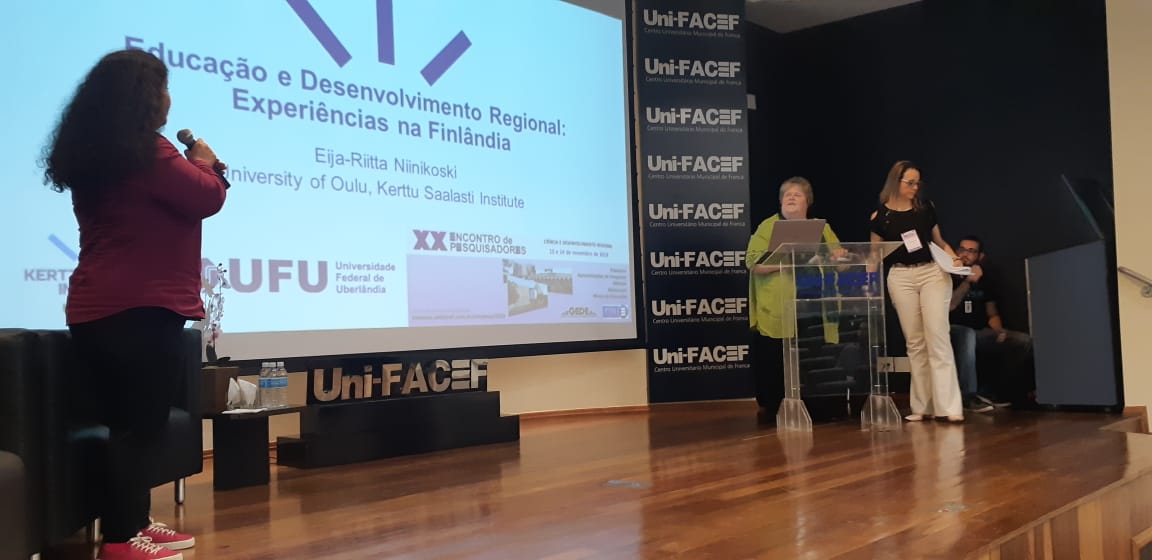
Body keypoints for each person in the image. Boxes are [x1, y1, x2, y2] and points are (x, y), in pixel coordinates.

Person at [43, 49, 228, 560]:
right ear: (146, 97)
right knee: (140, 426)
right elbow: (205, 198)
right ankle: (123, 539)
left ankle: (136, 524)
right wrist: (205, 163)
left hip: (96, 308)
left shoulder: (99, 154)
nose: (169, 98)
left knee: (129, 422)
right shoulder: (149, 151)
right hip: (142, 308)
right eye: (164, 87)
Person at [868, 161, 966, 422]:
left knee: (938, 336)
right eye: (909, 182)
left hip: (932, 273)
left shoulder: (925, 209)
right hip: (900, 276)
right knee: (915, 342)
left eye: (917, 183)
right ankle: (923, 406)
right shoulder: (880, 217)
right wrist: (861, 275)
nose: (914, 187)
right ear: (895, 182)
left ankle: (950, 407)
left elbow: (939, 241)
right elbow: (874, 255)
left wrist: (955, 259)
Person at [746, 177, 841, 413]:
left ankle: (815, 405)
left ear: (807, 202)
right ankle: (776, 406)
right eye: (786, 194)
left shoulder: (822, 228)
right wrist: (787, 260)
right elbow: (753, 262)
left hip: (816, 303)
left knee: (814, 355)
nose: (790, 197)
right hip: (779, 304)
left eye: (797, 194)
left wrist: (841, 257)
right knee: (776, 358)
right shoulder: (768, 226)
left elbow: (840, 260)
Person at [949, 235, 1035, 408]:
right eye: (962, 250)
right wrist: (968, 282)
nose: (965, 254)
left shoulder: (986, 280)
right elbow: (950, 306)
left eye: (971, 251)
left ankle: (998, 393)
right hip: (952, 331)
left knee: (1023, 341)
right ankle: (968, 397)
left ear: (980, 256)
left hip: (979, 333)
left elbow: (992, 312)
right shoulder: (948, 276)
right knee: (967, 334)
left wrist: (999, 330)